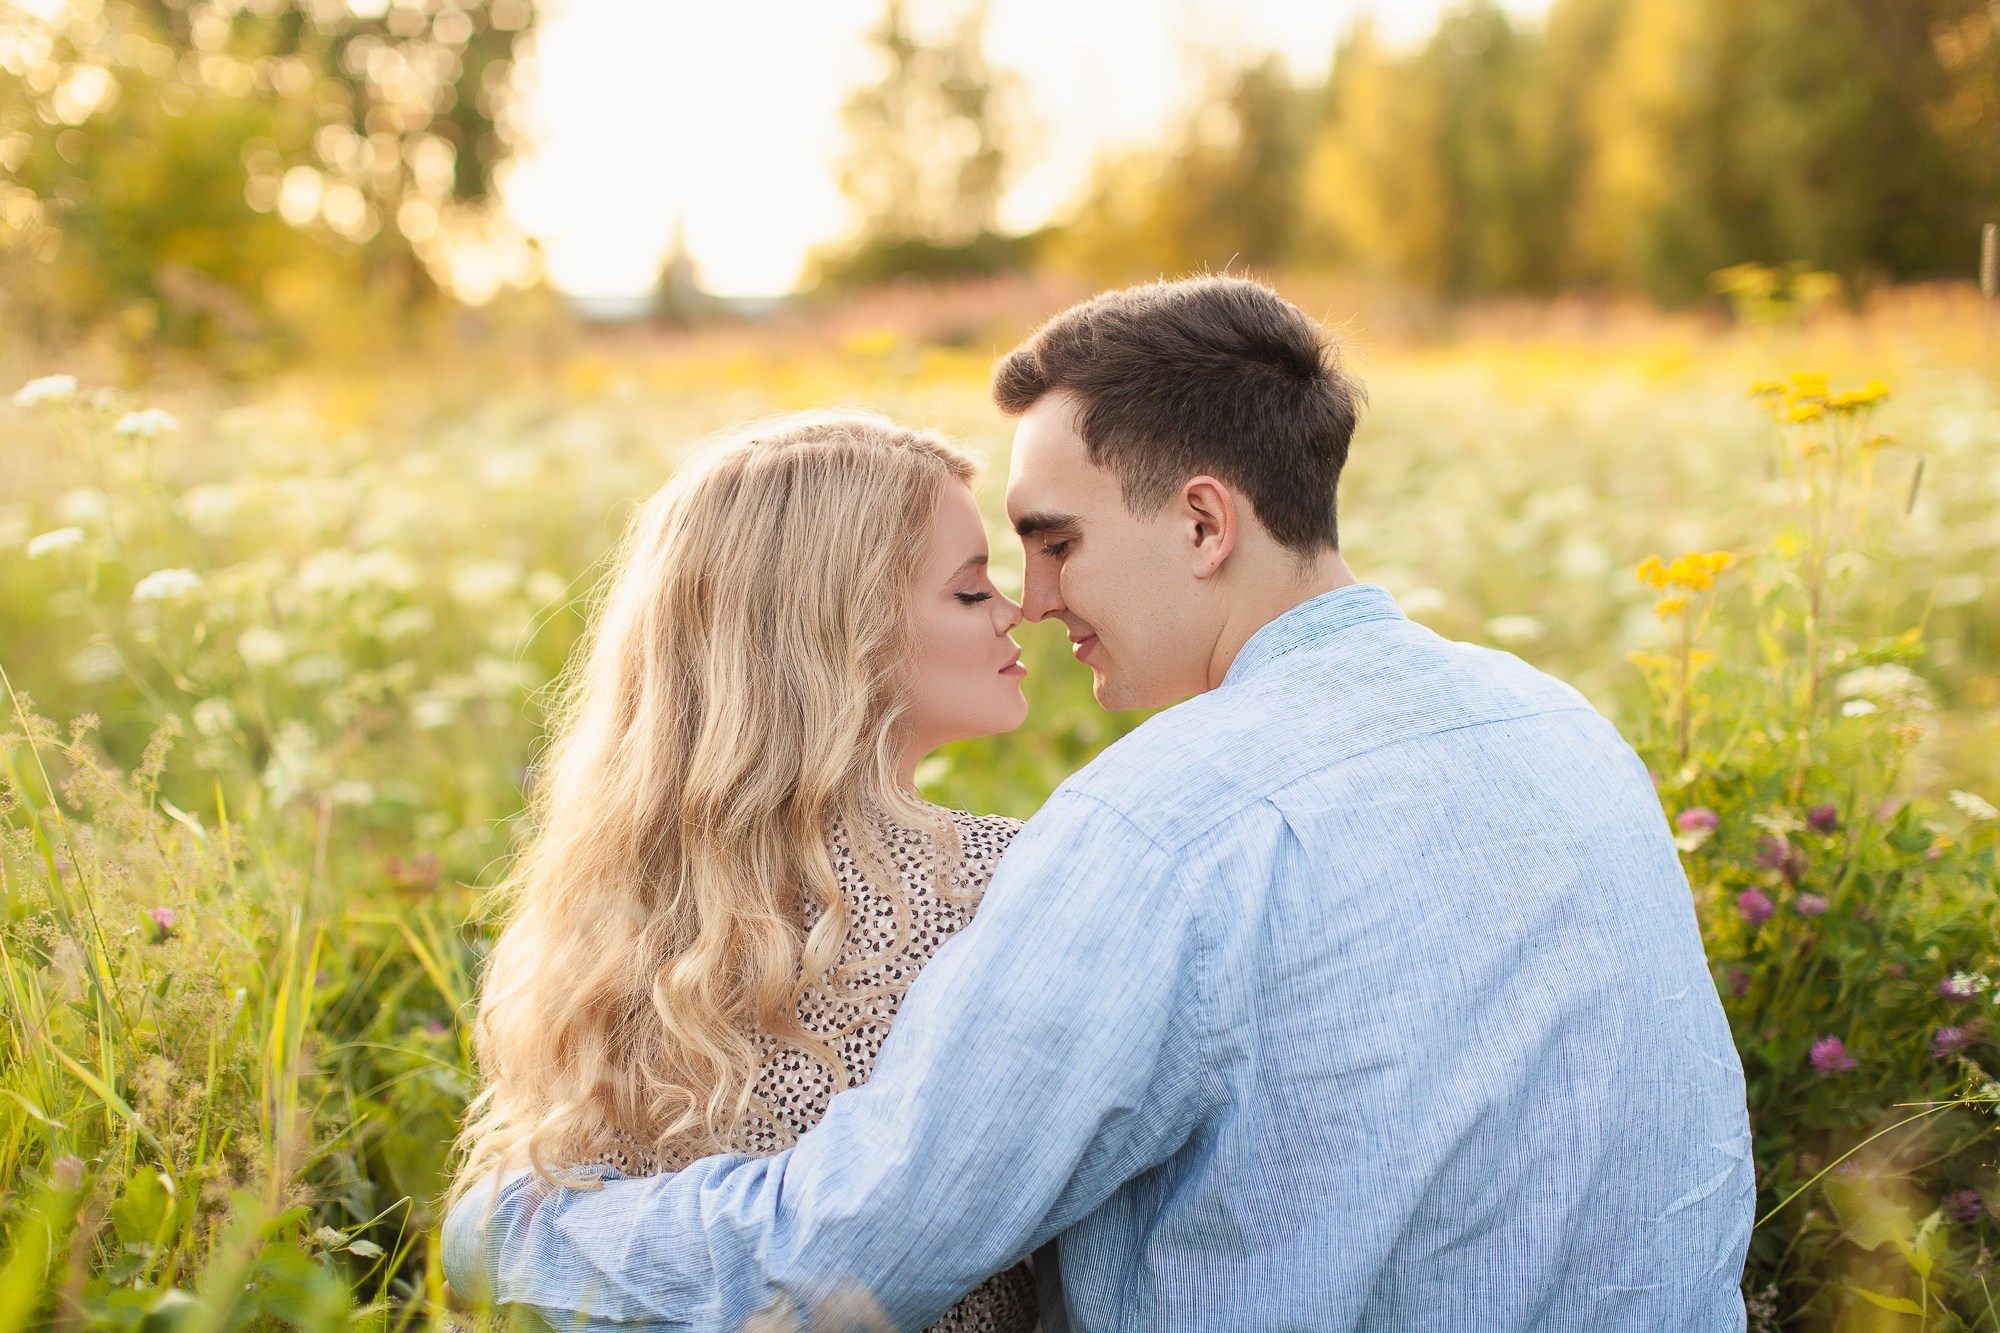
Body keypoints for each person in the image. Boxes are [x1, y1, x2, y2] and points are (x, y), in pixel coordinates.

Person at [444, 276, 1756, 1331]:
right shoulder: (1563, 727)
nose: (1036, 595)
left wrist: (510, 1230)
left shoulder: (1157, 830)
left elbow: (841, 1260)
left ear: (1203, 524)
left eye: (1057, 539)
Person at [447, 414, 1042, 1331]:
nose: (1015, 611)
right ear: (842, 634)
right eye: (969, 592)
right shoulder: (1000, 877)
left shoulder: (625, 898)